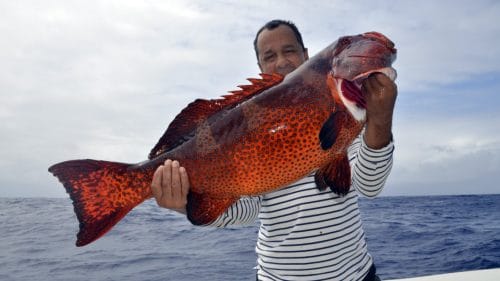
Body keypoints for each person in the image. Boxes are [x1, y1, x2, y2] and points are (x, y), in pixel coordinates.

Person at [151, 20, 397, 281]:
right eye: (270, 56)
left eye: (289, 51)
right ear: (260, 67)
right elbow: (248, 210)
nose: (281, 61)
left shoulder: (347, 113)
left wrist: (380, 120)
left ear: (306, 55)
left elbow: (369, 185)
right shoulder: (250, 124)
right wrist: (184, 202)